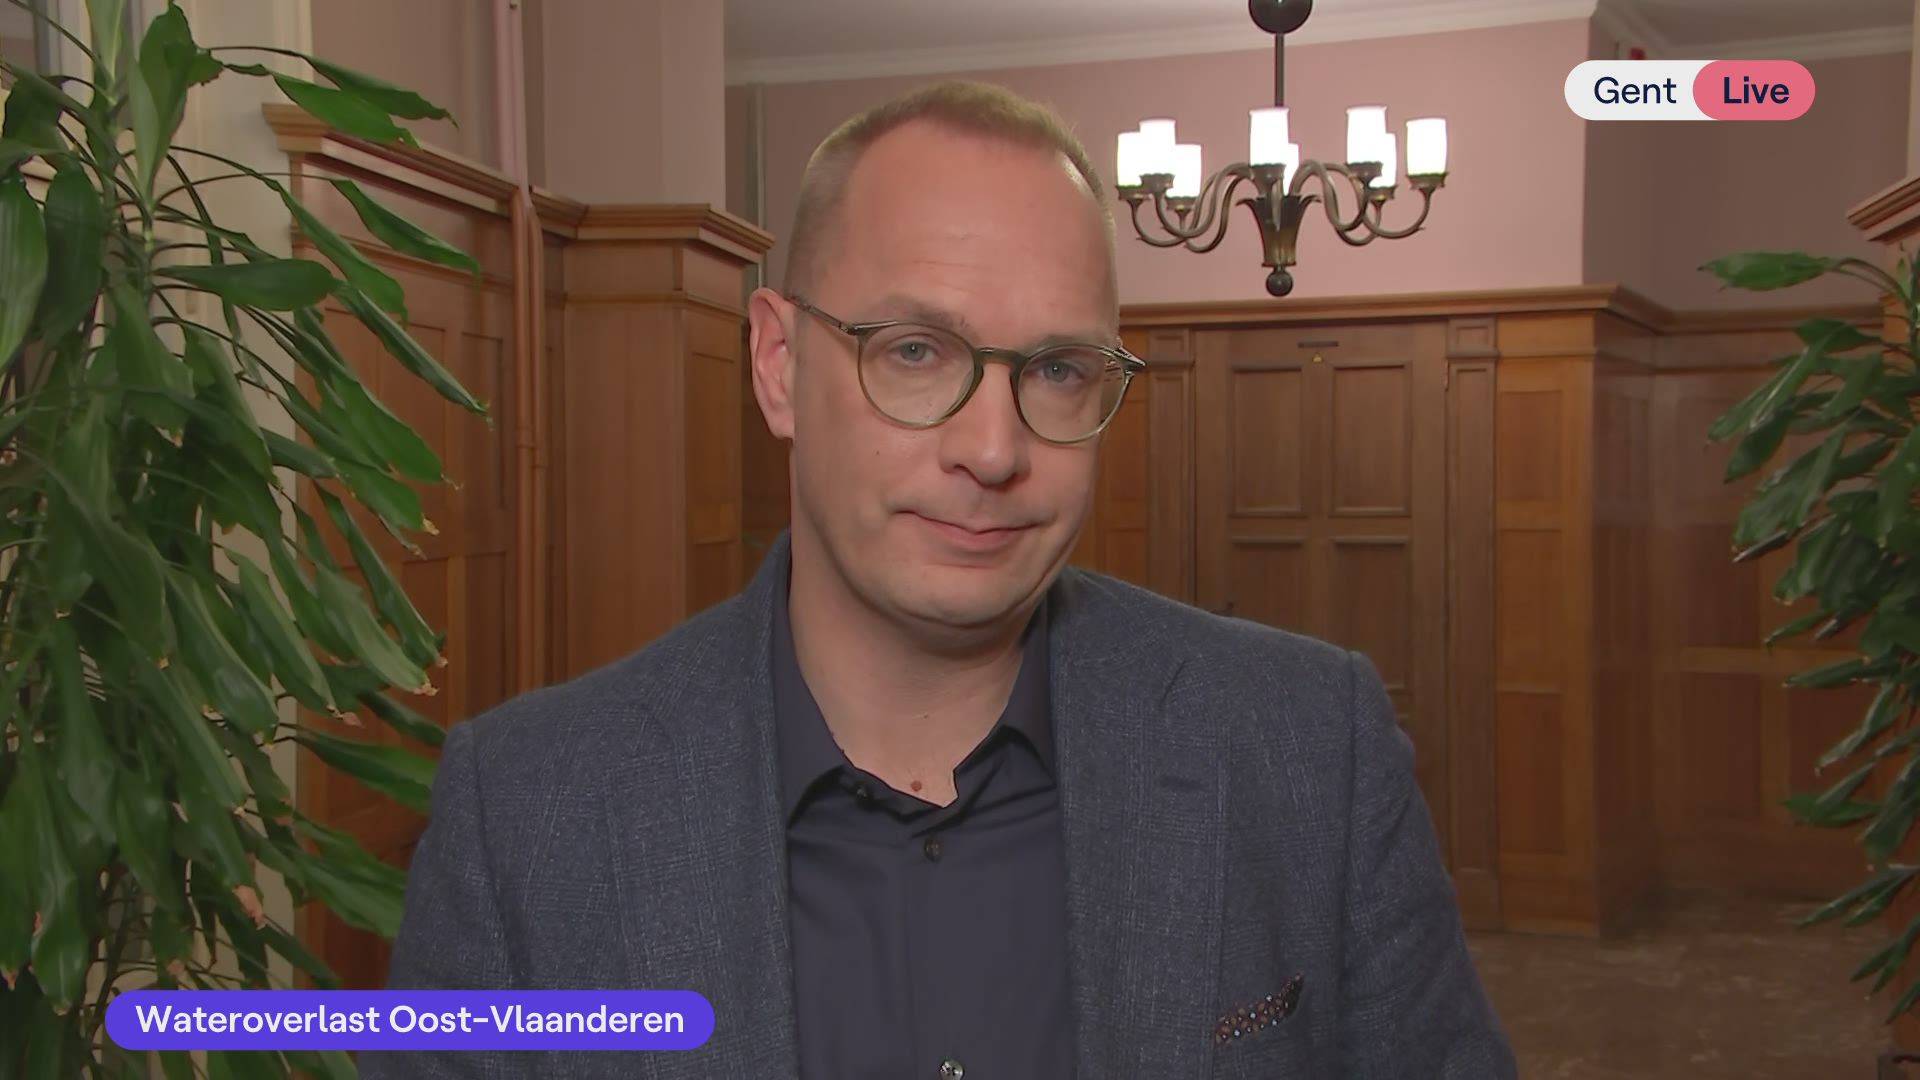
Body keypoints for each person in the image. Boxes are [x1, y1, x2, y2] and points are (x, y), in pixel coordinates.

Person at [371, 80, 1516, 1080]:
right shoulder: (526, 815)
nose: (993, 449)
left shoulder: (1311, 746)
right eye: (915, 352)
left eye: (1057, 369)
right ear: (778, 364)